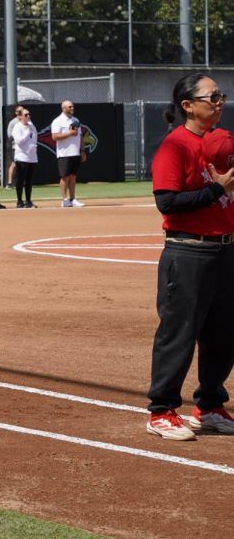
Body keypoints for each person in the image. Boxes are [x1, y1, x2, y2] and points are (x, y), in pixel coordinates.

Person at [146, 73, 234, 441]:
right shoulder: (175, 146)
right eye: (211, 96)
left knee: (224, 334)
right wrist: (217, 189)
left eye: (220, 95)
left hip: (226, 250)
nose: (219, 102)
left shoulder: (221, 143)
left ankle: (210, 406)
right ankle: (162, 410)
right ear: (188, 105)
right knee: (179, 333)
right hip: (188, 252)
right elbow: (167, 203)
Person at [51, 100, 87, 207]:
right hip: (64, 153)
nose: (72, 108)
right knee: (64, 177)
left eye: (73, 106)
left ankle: (73, 199)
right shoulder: (58, 121)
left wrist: (82, 150)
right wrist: (69, 133)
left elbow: (80, 136)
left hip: (75, 153)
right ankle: (64, 200)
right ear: (63, 108)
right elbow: (54, 137)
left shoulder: (76, 120)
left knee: (73, 177)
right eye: (70, 107)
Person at [10, 107, 38, 208]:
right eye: (26, 115)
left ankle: (28, 200)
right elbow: (19, 141)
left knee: (29, 180)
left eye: (29, 114)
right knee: (21, 179)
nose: (28, 116)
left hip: (32, 157)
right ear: (20, 116)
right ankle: (19, 200)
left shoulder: (32, 126)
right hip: (21, 156)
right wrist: (27, 132)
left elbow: (35, 138)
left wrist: (33, 148)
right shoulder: (17, 127)